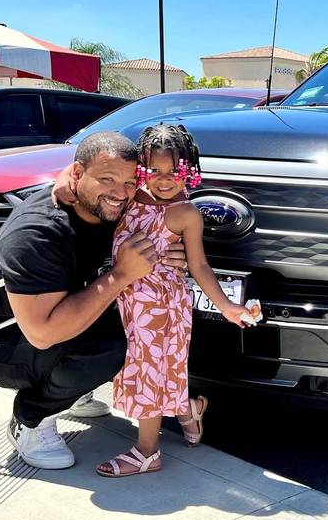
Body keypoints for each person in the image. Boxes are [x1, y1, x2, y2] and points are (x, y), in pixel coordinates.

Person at [0, 132, 186, 469]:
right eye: (107, 179)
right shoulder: (38, 232)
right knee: (110, 345)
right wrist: (122, 274)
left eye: (130, 181)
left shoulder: (113, 204)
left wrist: (168, 251)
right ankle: (32, 417)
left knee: (142, 319)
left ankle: (72, 389)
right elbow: (42, 334)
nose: (120, 193)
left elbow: (163, 204)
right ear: (78, 174)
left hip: (48, 319)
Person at [91, 123, 254, 477]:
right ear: (141, 170)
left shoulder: (185, 214)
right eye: (155, 171)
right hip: (127, 302)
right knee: (151, 370)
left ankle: (147, 452)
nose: (165, 180)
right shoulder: (129, 198)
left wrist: (227, 305)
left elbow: (198, 264)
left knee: (152, 372)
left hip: (161, 308)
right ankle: (190, 411)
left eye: (175, 171)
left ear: (189, 171)